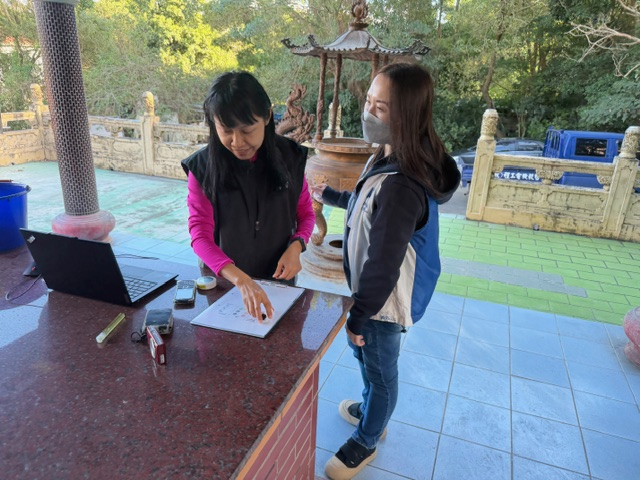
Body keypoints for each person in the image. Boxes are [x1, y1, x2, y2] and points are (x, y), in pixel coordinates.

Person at [311, 63, 460, 480]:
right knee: (368, 359)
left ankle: (367, 438)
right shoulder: (388, 154)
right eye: (368, 101)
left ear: (406, 115)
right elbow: (369, 206)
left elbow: (383, 261)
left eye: (380, 107)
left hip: (383, 300)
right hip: (373, 293)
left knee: (380, 370)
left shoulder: (403, 184)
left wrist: (359, 314)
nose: (368, 112)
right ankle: (370, 409)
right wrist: (334, 196)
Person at [181, 71, 314, 321]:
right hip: (224, 281)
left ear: (267, 117)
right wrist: (241, 280)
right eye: (226, 131)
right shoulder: (203, 168)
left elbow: (306, 214)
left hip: (279, 280)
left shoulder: (291, 158)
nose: (237, 142)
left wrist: (297, 246)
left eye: (247, 130)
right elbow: (200, 235)